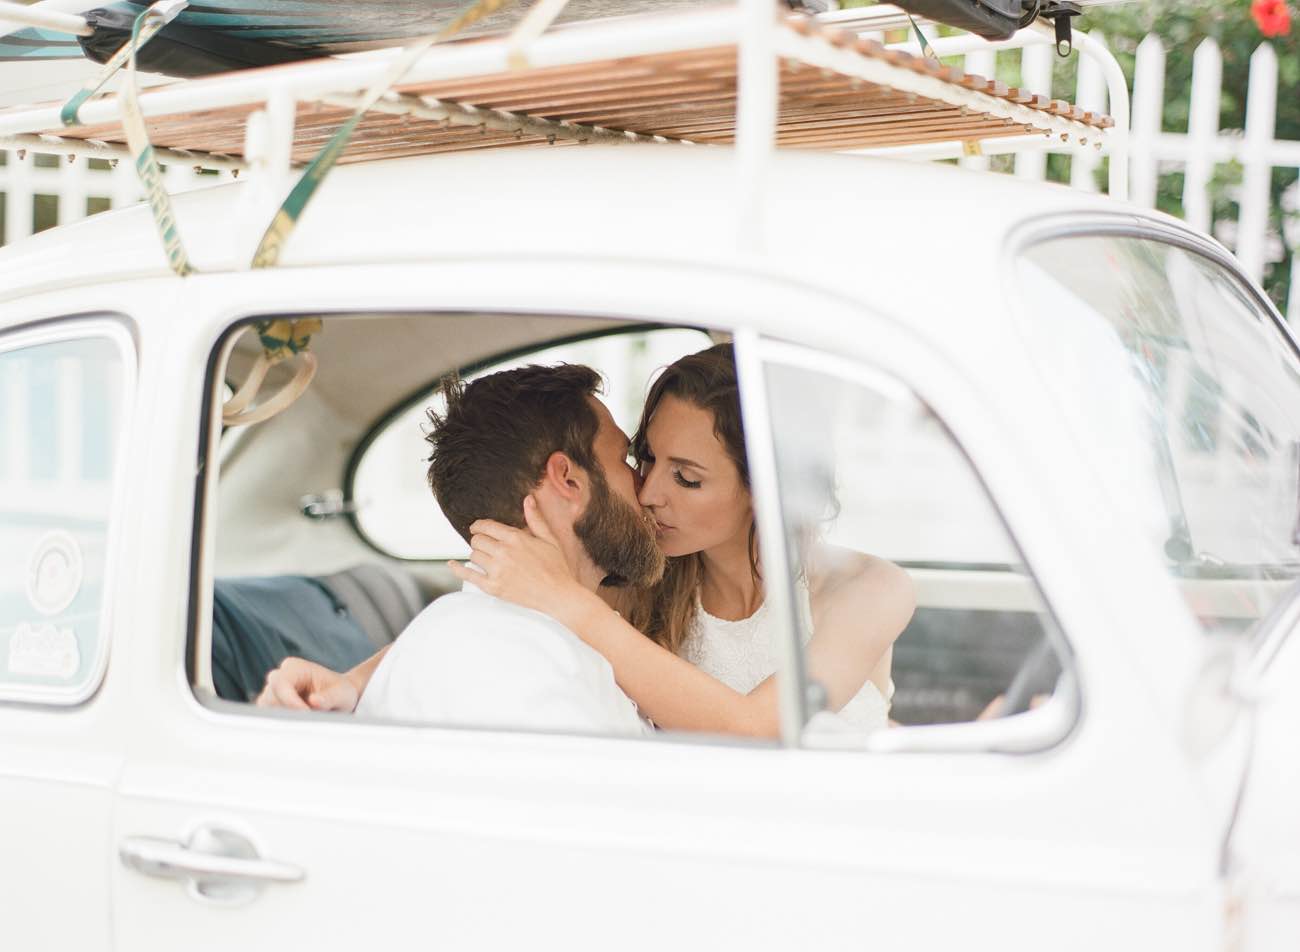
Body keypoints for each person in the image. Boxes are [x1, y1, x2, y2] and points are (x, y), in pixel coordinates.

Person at [260, 345, 914, 737]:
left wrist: (567, 603)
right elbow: (496, 607)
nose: (651, 492)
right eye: (646, 458)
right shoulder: (655, 582)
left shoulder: (867, 591)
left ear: (766, 489)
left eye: (686, 477)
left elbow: (762, 729)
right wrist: (350, 682)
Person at [341, 363, 665, 735]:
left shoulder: (508, 633)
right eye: (624, 460)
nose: (645, 485)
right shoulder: (507, 667)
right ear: (568, 480)